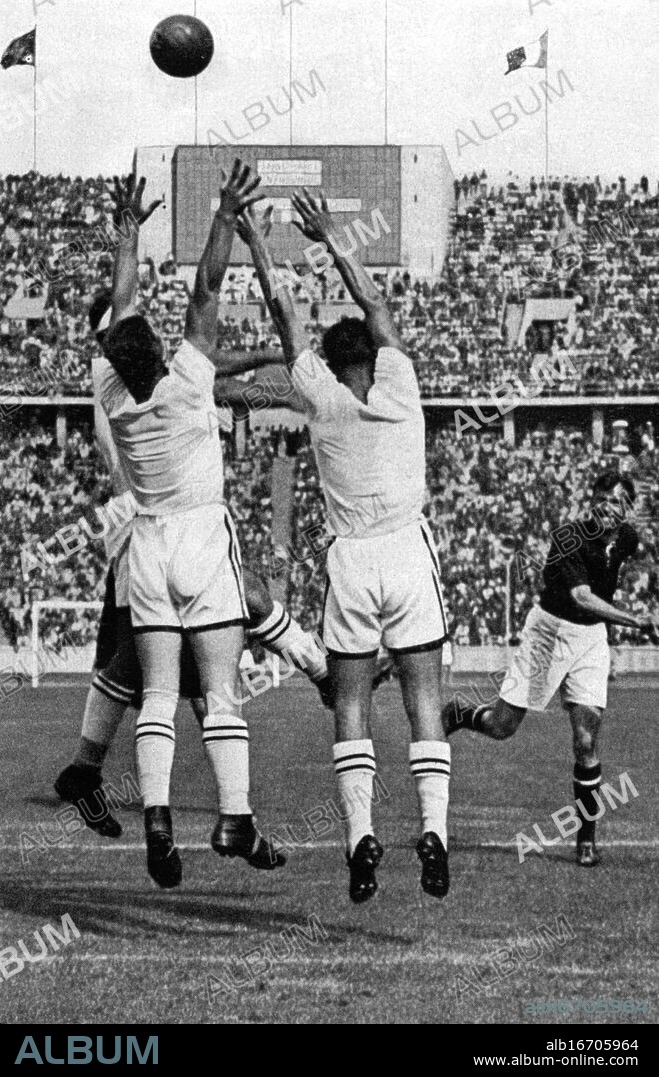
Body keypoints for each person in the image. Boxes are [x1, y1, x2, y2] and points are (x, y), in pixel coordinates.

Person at [236, 190, 451, 903]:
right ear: (375, 355)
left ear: (329, 363)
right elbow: (375, 302)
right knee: (424, 697)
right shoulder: (401, 382)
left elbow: (283, 316)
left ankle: (360, 835)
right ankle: (434, 833)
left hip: (352, 558)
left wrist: (261, 244)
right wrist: (331, 236)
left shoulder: (320, 400)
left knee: (349, 701)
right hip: (407, 553)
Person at [96, 162, 285, 888]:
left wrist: (127, 231)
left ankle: (157, 815)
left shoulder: (116, 393)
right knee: (220, 687)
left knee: (158, 695)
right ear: (160, 351)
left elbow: (121, 303)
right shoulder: (188, 381)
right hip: (202, 538)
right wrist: (225, 217)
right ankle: (234, 812)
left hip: (145, 543)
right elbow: (206, 290)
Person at [442, 472, 659, 867]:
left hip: (591, 639)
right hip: (550, 633)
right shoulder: (567, 538)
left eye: (621, 503)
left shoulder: (626, 536)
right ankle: (462, 714)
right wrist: (635, 620)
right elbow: (582, 597)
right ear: (593, 499)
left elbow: (638, 553)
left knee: (586, 739)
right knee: (502, 727)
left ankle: (586, 840)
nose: (613, 509)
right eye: (608, 500)